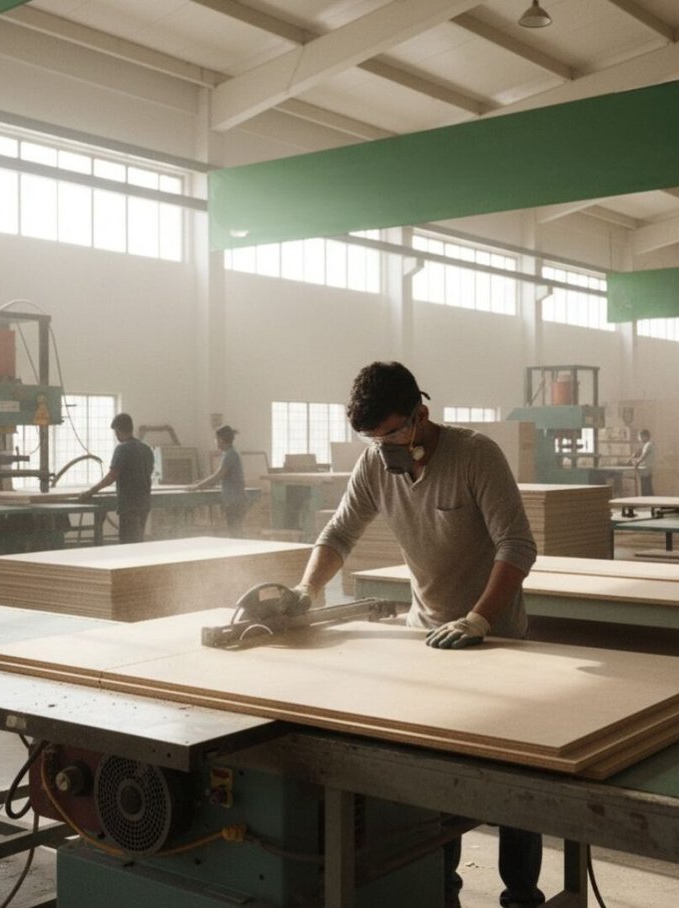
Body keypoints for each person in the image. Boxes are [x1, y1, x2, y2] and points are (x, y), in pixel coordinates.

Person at [294, 361, 544, 908]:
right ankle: (443, 891)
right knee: (439, 784)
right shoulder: (374, 466)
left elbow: (517, 546)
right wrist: (306, 592)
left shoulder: (476, 456)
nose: (384, 447)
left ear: (420, 415)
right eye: (373, 438)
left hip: (496, 640)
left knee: (517, 786)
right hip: (426, 640)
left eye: (392, 433)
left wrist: (479, 619)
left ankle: (522, 895)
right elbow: (339, 532)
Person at [80, 413, 153, 544]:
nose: (116, 435)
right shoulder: (146, 448)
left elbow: (112, 476)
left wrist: (91, 491)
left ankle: (129, 563)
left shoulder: (122, 449)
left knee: (128, 542)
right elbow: (149, 472)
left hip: (129, 505)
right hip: (144, 503)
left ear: (118, 430)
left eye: (115, 432)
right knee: (138, 540)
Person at [192, 424, 248, 535]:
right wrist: (205, 483)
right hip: (235, 501)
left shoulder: (230, 455)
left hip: (235, 502)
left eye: (216, 438)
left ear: (221, 439)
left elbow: (218, 476)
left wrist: (198, 486)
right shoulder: (229, 454)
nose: (215, 441)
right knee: (235, 532)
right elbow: (223, 477)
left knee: (235, 532)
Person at [628, 428, 654, 497]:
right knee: (646, 487)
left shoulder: (648, 445)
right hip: (646, 469)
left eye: (640, 437)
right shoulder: (648, 444)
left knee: (646, 488)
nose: (640, 439)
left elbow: (643, 456)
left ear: (645, 436)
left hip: (645, 469)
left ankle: (648, 503)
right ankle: (649, 502)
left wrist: (636, 463)